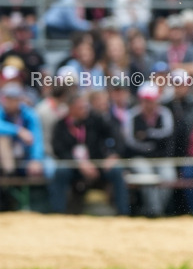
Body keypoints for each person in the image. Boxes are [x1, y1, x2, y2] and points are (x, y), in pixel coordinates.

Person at [50, 92, 129, 215]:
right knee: (60, 172)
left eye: (86, 107)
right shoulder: (61, 125)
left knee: (117, 171)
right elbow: (59, 150)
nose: (85, 110)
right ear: (71, 108)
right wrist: (79, 164)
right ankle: (58, 212)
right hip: (75, 167)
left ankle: (123, 213)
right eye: (81, 108)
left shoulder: (96, 120)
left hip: (98, 165)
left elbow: (117, 136)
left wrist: (113, 156)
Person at [123, 82, 176, 217]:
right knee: (146, 176)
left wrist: (147, 135)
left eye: (151, 100)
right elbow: (131, 142)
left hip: (161, 157)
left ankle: (154, 210)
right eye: (146, 100)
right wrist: (151, 143)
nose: (148, 104)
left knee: (169, 177)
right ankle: (155, 212)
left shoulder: (165, 114)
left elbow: (167, 134)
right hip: (139, 158)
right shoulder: (132, 116)